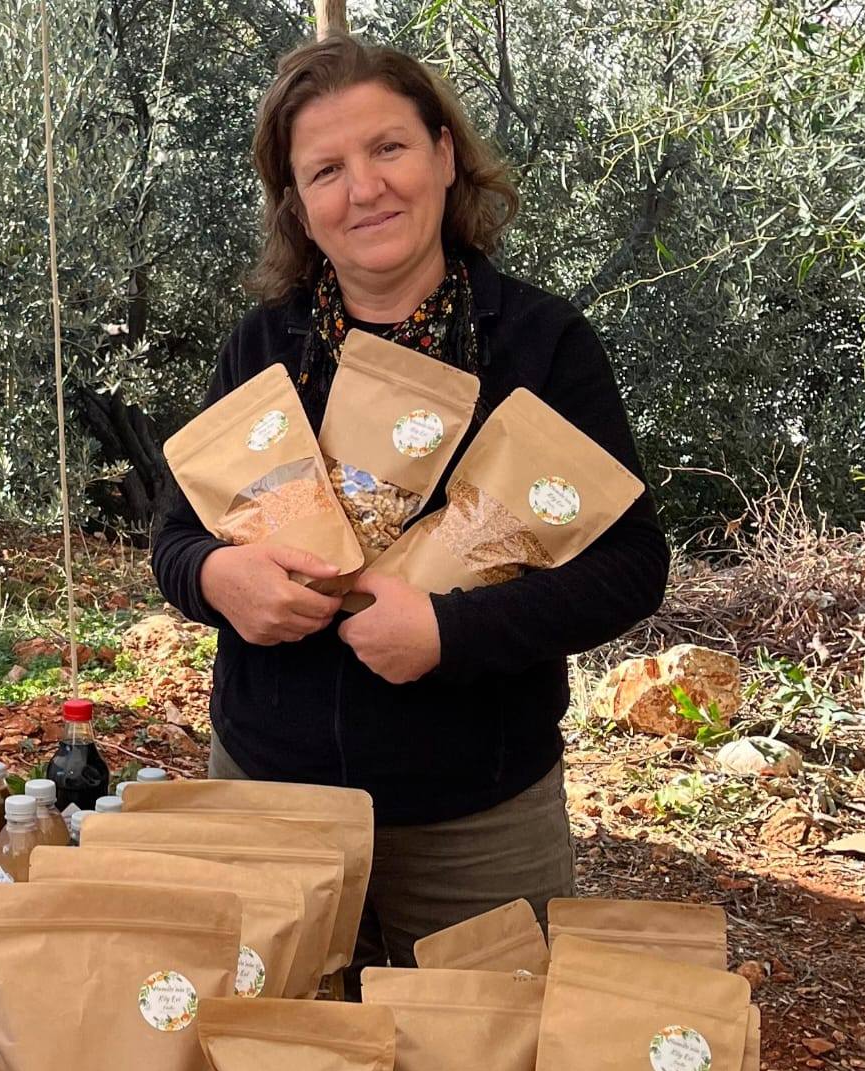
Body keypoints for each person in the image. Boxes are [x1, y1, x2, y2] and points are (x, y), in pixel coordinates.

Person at [150, 36, 670, 978]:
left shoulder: (542, 345)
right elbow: (176, 536)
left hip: (478, 817)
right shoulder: (265, 344)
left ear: (442, 154)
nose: (365, 189)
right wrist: (221, 578)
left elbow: (632, 565)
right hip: (271, 798)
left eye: (388, 149)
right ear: (300, 208)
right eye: (327, 171)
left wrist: (449, 633)